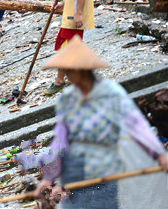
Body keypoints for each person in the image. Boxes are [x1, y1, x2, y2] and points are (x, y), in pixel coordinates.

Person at [32, 36, 168, 208]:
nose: (66, 75)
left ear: (82, 70)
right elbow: (61, 138)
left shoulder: (111, 93)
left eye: (69, 70)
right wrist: (49, 177)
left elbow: (135, 124)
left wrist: (159, 154)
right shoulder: (67, 100)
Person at [45, 0, 94, 95]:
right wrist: (63, 4)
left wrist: (79, 13)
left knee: (64, 48)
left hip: (74, 17)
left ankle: (60, 80)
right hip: (69, 14)